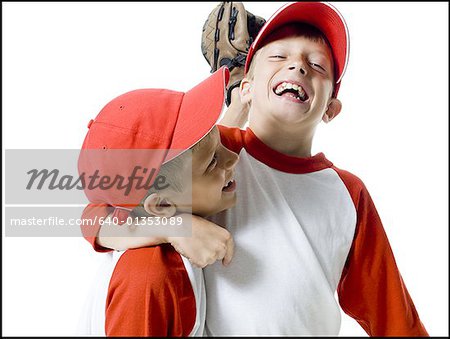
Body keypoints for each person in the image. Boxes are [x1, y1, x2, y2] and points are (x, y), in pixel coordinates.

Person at [85, 1, 429, 336]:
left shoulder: (348, 195)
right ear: (248, 87)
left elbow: (393, 317)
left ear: (331, 109)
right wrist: (175, 227)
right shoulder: (216, 154)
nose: (298, 67)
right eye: (279, 57)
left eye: (318, 65)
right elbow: (91, 216)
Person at [77, 67, 239, 336]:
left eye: (220, 140)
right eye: (212, 162)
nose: (233, 157)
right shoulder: (148, 280)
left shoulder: (157, 223)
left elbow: (91, 218)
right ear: (161, 206)